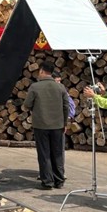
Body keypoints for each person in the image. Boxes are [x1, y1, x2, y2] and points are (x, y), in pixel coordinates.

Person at [24, 61, 69, 190]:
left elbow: (27, 104)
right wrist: (65, 123)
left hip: (41, 125)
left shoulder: (35, 87)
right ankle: (59, 180)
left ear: (42, 71)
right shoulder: (60, 87)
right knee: (57, 153)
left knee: (44, 153)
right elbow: (66, 106)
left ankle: (47, 181)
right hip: (58, 125)